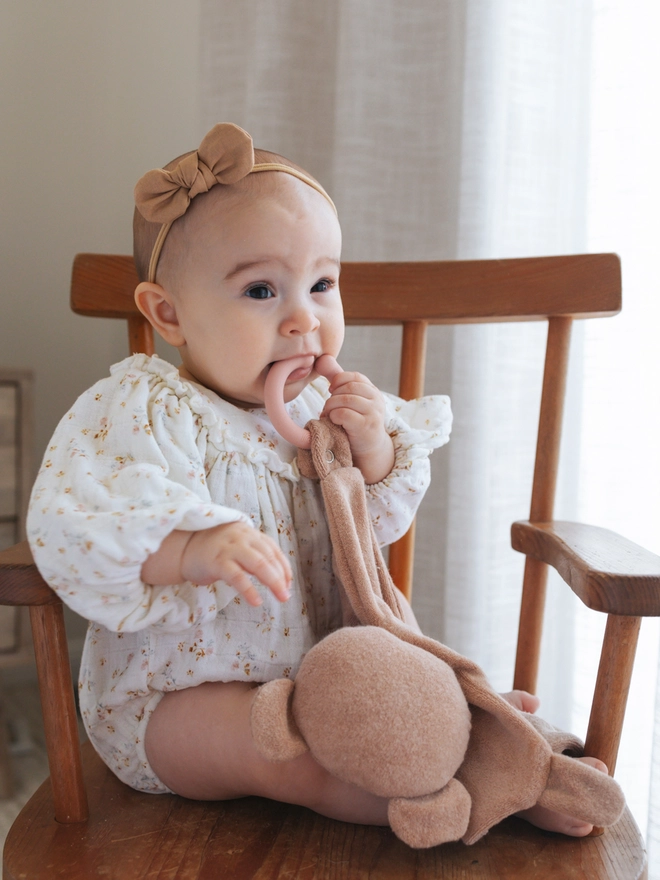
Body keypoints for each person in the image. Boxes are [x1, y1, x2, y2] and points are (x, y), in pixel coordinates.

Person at [27, 123, 604, 837]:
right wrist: (191, 547)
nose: (304, 316)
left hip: (332, 683)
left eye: (323, 283)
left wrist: (373, 456)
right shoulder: (144, 411)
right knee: (290, 756)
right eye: (262, 289)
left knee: (395, 699)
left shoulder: (317, 411)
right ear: (168, 314)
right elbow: (79, 525)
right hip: (176, 703)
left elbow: (377, 528)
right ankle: (471, 796)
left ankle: (482, 743)